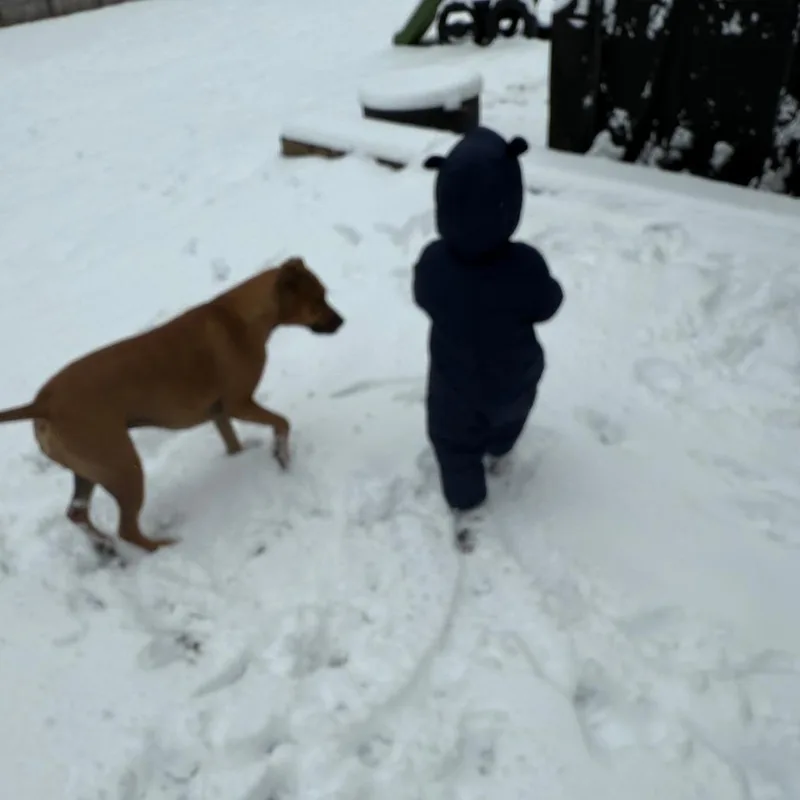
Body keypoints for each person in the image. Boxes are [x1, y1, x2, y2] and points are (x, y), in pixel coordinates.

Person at [413, 126, 564, 552]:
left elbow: (423, 297)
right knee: (508, 417)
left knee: (454, 444)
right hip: (515, 375)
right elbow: (548, 304)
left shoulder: (434, 263)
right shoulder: (526, 266)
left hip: (455, 384)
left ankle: (468, 502)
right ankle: (500, 451)